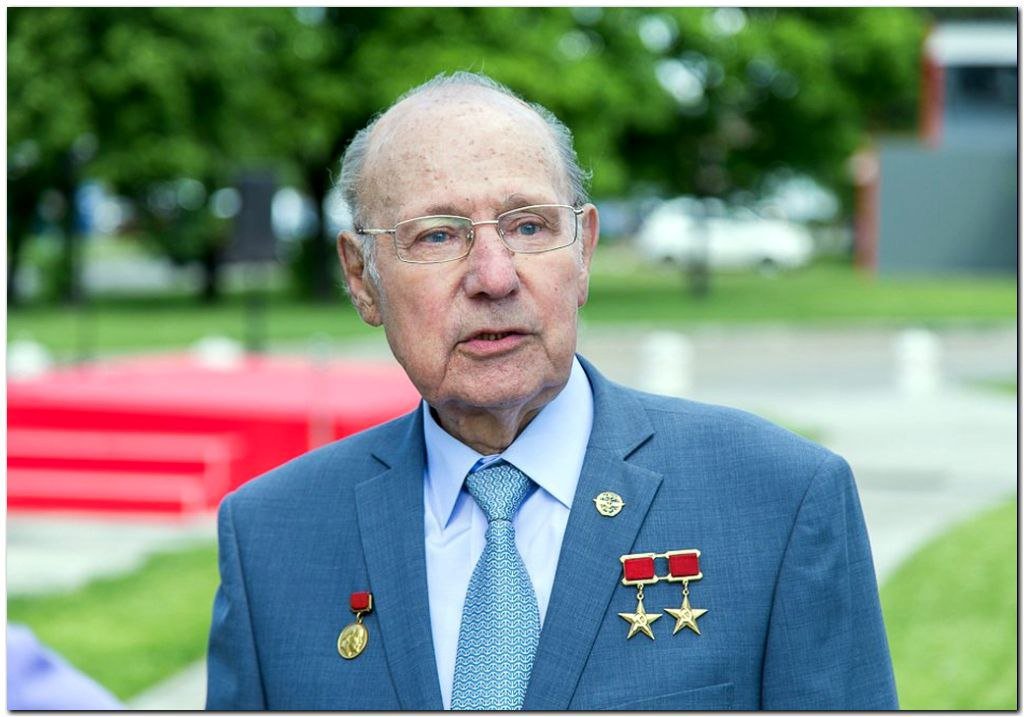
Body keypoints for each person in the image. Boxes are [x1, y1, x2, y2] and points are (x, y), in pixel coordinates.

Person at [205, 71, 898, 710]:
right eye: (438, 235)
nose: (494, 277)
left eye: (529, 226)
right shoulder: (270, 540)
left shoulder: (778, 501)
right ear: (362, 278)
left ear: (584, 251)